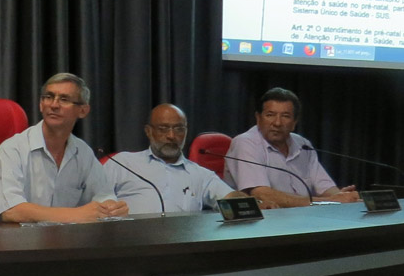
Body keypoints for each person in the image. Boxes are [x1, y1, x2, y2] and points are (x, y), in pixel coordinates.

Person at [0, 73, 130, 224]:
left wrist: (112, 208)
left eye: (64, 99)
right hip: (13, 242)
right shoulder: (13, 149)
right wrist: (75, 215)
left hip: (64, 242)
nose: (54, 105)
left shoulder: (83, 151)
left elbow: (103, 196)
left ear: (83, 111)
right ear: (41, 104)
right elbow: (10, 211)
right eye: (48, 97)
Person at [223, 87, 359, 207]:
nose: (277, 123)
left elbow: (325, 187)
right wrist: (329, 201)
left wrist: (342, 197)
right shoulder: (245, 143)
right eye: (270, 115)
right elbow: (262, 195)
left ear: (294, 122)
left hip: (305, 219)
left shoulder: (303, 145)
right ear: (258, 118)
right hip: (264, 223)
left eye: (285, 116)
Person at [101, 103, 247, 213]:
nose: (171, 136)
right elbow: (92, 200)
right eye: (163, 129)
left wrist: (245, 201)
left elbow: (230, 198)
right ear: (148, 131)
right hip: (130, 244)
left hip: (183, 246)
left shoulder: (201, 174)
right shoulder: (122, 163)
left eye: (179, 129)